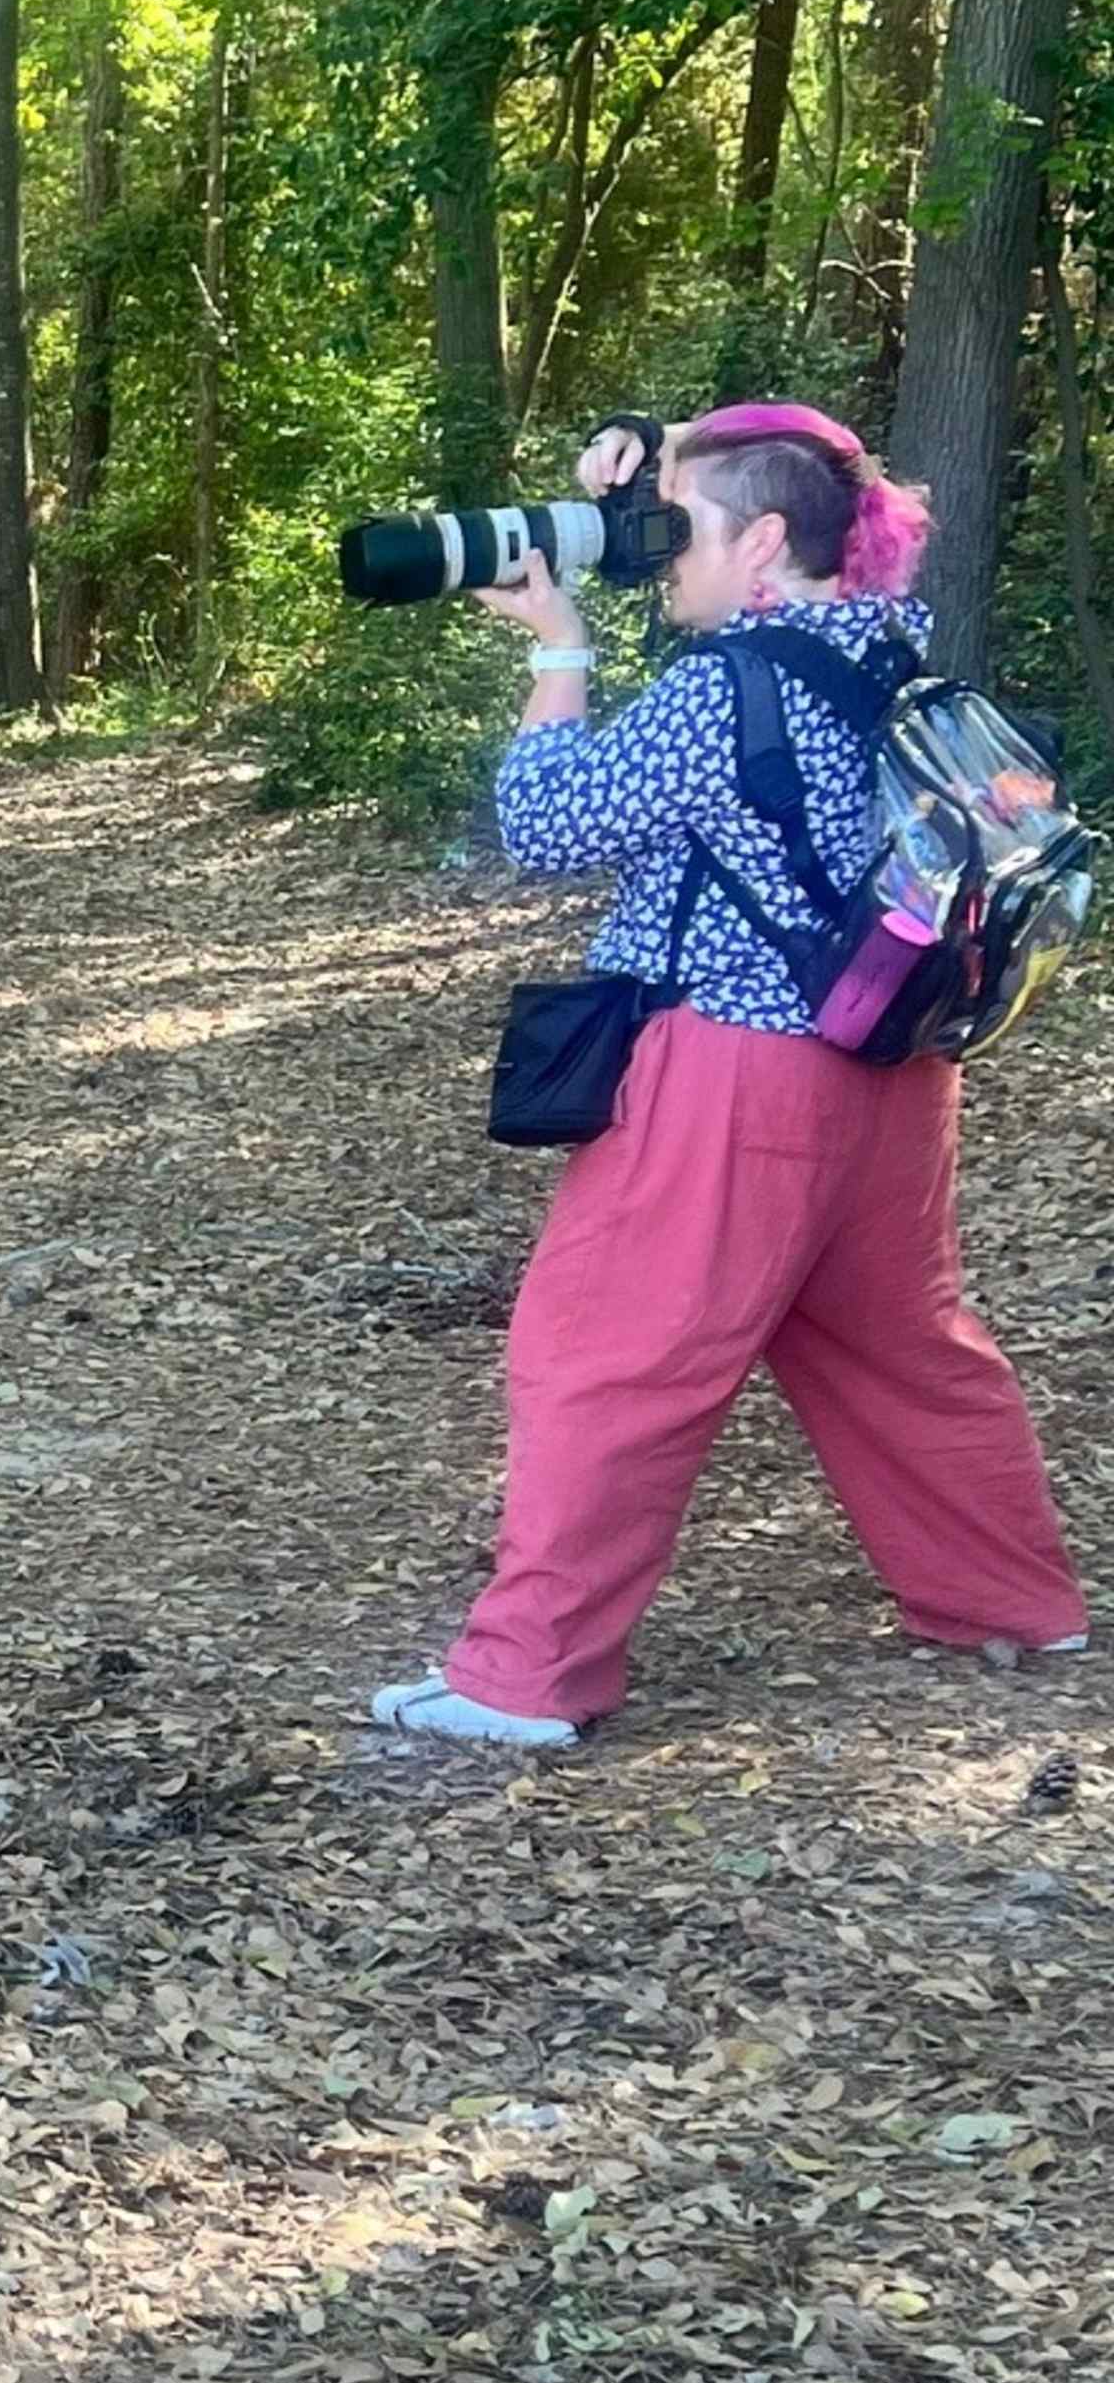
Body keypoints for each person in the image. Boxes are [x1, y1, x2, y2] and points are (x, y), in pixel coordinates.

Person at [373, 400, 1083, 1749]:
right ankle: (1011, 1601)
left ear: (763, 541)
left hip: (734, 1081)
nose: (654, 555)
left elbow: (547, 824)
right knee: (908, 1357)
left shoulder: (725, 687)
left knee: (605, 1361)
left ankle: (523, 1679)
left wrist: (562, 653)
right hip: (890, 1076)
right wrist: (664, 442)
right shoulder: (889, 651)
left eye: (677, 531)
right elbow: (810, 462)